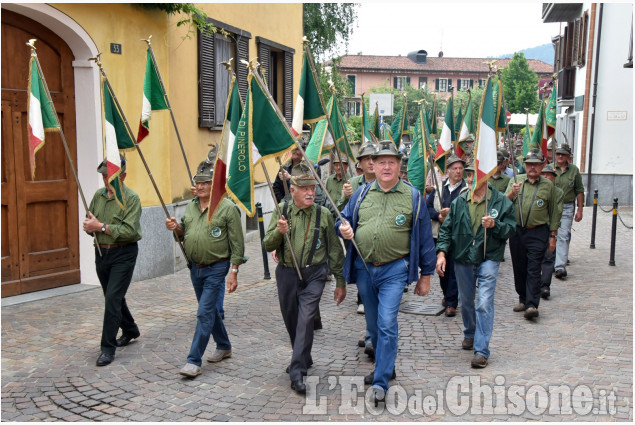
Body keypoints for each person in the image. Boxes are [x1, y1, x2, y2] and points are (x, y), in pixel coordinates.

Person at [337, 141, 436, 405]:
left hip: (395, 269)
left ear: (399, 165)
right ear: (373, 165)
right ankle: (386, 364)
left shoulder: (414, 198)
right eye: (381, 162)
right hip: (365, 268)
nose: (386, 166)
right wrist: (343, 228)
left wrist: (425, 275)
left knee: (387, 322)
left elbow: (426, 240)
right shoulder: (361, 194)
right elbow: (342, 219)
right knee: (372, 326)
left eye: (391, 161)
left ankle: (381, 381)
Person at [263, 161, 346, 394]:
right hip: (287, 273)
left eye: (313, 188)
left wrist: (340, 281)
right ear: (293, 190)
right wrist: (278, 233)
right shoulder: (282, 210)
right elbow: (266, 243)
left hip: (315, 274)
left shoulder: (324, 214)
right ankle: (303, 355)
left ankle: (297, 371)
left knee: (306, 318)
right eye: (305, 189)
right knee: (292, 320)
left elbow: (335, 250)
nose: (310, 193)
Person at [165, 160, 247, 378]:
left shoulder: (227, 208)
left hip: (217, 267)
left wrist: (234, 272)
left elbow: (238, 244)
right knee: (209, 312)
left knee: (203, 313)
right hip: (195, 268)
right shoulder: (191, 206)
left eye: (205, 182)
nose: (200, 186)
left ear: (215, 184)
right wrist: (176, 229)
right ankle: (224, 345)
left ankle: (193, 360)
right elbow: (183, 235)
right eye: (198, 182)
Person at [436, 162, 516, 368]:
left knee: (484, 303)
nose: (470, 180)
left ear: (487, 177)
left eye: (476, 176)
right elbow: (446, 230)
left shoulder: (500, 202)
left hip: (489, 256)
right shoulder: (460, 201)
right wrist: (442, 253)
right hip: (463, 256)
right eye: (469, 176)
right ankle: (470, 332)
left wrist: (495, 225)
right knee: (467, 301)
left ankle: (481, 350)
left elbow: (510, 230)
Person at [83, 156, 142, 367]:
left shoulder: (131, 198)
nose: (107, 180)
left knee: (113, 298)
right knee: (113, 297)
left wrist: (100, 227)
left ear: (123, 175)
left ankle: (107, 348)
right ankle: (130, 329)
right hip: (102, 253)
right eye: (105, 176)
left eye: (112, 176)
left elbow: (129, 230)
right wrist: (90, 226)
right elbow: (91, 220)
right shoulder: (99, 196)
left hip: (123, 254)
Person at [505, 149, 560, 320]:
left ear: (542, 166)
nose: (532, 167)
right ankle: (522, 298)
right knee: (519, 267)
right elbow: (503, 205)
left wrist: (553, 236)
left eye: (536, 164)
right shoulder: (516, 181)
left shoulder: (548, 185)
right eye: (529, 164)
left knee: (534, 268)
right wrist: (512, 193)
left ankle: (532, 304)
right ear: (525, 166)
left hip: (538, 231)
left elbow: (554, 213)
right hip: (517, 231)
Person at [426, 155, 467, 317]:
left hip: (458, 236)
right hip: (438, 235)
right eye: (455, 168)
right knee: (442, 269)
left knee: (454, 269)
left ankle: (451, 302)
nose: (458, 171)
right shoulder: (439, 187)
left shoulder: (466, 189)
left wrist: (453, 213)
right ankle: (447, 294)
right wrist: (438, 216)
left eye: (460, 168)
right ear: (448, 171)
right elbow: (428, 208)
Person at [553, 143, 584, 279]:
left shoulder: (574, 171)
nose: (560, 156)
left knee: (563, 236)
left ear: (568, 156)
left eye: (563, 154)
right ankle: (548, 262)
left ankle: (560, 266)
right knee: (548, 235)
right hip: (550, 207)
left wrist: (580, 210)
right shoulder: (549, 168)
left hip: (567, 206)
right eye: (558, 153)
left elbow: (579, 190)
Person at [539, 164, 564, 299]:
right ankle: (534, 285)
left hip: (549, 228)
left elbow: (557, 211)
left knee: (548, 258)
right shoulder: (537, 188)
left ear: (553, 177)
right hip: (537, 228)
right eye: (543, 174)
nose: (545, 177)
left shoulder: (558, 192)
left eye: (548, 174)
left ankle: (545, 286)